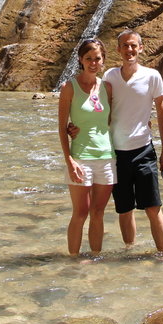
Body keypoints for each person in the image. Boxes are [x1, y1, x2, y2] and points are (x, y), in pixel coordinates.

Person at [103, 29, 163, 257]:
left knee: (153, 207)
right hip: (116, 153)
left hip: (144, 150)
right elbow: (99, 110)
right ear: (119, 50)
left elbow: (162, 114)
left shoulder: (152, 76)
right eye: (125, 46)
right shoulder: (110, 77)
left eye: (133, 45)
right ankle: (129, 252)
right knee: (124, 209)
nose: (129, 50)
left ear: (140, 48)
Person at [58, 38, 115, 257]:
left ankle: (95, 257)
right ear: (81, 60)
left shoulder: (107, 88)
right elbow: (61, 127)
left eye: (97, 59)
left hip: (107, 157)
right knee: (80, 213)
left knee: (98, 212)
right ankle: (73, 258)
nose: (93, 63)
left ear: (103, 61)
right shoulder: (68, 88)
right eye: (88, 59)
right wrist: (69, 161)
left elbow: (110, 121)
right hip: (80, 157)